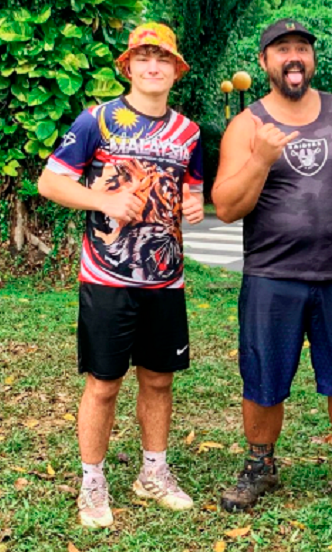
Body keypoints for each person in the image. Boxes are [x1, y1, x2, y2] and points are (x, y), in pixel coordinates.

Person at [211, 18, 332, 523]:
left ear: (312, 60)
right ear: (265, 62)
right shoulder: (247, 124)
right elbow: (225, 206)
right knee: (263, 380)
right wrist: (262, 159)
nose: (294, 58)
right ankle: (260, 467)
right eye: (283, 50)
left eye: (303, 49)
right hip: (271, 277)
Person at [37, 22, 205, 528]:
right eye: (142, 58)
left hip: (164, 280)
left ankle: (153, 472)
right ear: (128, 67)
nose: (152, 67)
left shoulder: (190, 133)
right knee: (104, 382)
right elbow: (50, 181)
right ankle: (92, 482)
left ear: (176, 70)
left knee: (159, 380)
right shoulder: (97, 121)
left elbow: (192, 186)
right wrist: (105, 199)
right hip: (107, 278)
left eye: (162, 59)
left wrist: (195, 202)